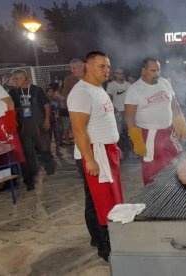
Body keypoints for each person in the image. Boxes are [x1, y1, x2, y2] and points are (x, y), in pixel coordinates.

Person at [67, 51, 123, 262]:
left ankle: (98, 238)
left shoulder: (99, 89)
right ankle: (104, 246)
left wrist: (114, 144)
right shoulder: (81, 92)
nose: (106, 70)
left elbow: (103, 121)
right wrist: (89, 159)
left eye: (108, 66)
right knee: (98, 201)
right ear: (88, 66)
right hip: (93, 153)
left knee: (99, 199)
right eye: (101, 66)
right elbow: (79, 129)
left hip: (106, 151)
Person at [125, 57, 186, 185]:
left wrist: (181, 124)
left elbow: (174, 105)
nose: (157, 74)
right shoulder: (134, 89)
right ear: (143, 71)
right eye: (153, 71)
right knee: (153, 171)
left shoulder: (165, 82)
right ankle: (154, 200)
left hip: (168, 133)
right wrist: (136, 139)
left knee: (176, 164)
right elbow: (129, 116)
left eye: (158, 70)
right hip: (149, 136)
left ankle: (173, 194)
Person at [8, 69, 55, 190]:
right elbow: (9, 106)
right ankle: (33, 173)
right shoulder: (13, 92)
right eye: (13, 78)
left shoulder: (36, 89)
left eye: (16, 78)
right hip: (24, 127)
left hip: (39, 124)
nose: (14, 81)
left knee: (44, 148)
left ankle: (49, 168)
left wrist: (47, 120)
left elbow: (46, 105)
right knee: (28, 152)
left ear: (24, 78)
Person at [0, 82, 26, 185]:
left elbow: (10, 102)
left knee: (13, 148)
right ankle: (6, 180)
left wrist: (10, 119)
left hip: (2, 121)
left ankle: (25, 175)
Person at [106, 67, 131, 159]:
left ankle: (127, 152)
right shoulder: (111, 85)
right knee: (118, 133)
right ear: (115, 74)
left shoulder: (128, 85)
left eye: (122, 73)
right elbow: (107, 98)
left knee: (129, 132)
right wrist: (114, 109)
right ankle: (119, 153)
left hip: (128, 112)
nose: (120, 75)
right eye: (118, 73)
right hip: (117, 112)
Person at [61, 58, 85, 146]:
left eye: (74, 68)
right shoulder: (68, 79)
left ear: (81, 67)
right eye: (71, 68)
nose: (72, 70)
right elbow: (66, 95)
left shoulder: (91, 77)